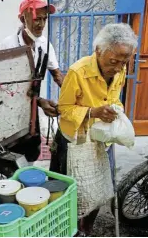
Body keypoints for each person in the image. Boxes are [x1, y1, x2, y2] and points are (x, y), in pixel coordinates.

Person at [49, 23, 138, 236]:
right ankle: (65, 227)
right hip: (74, 139)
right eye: (113, 61)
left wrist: (115, 110)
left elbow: (115, 97)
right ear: (99, 51)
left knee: (98, 188)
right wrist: (93, 112)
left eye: (124, 62)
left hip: (101, 138)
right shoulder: (78, 71)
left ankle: (86, 229)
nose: (117, 68)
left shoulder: (120, 69)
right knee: (68, 189)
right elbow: (64, 108)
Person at [0, 0, 64, 163]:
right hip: (11, 108)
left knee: (31, 151)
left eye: (44, 19)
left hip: (32, 109)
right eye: (36, 19)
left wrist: (74, 97)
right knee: (13, 151)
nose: (41, 24)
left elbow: (57, 75)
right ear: (22, 19)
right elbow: (4, 87)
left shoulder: (45, 45)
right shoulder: (8, 45)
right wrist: (40, 101)